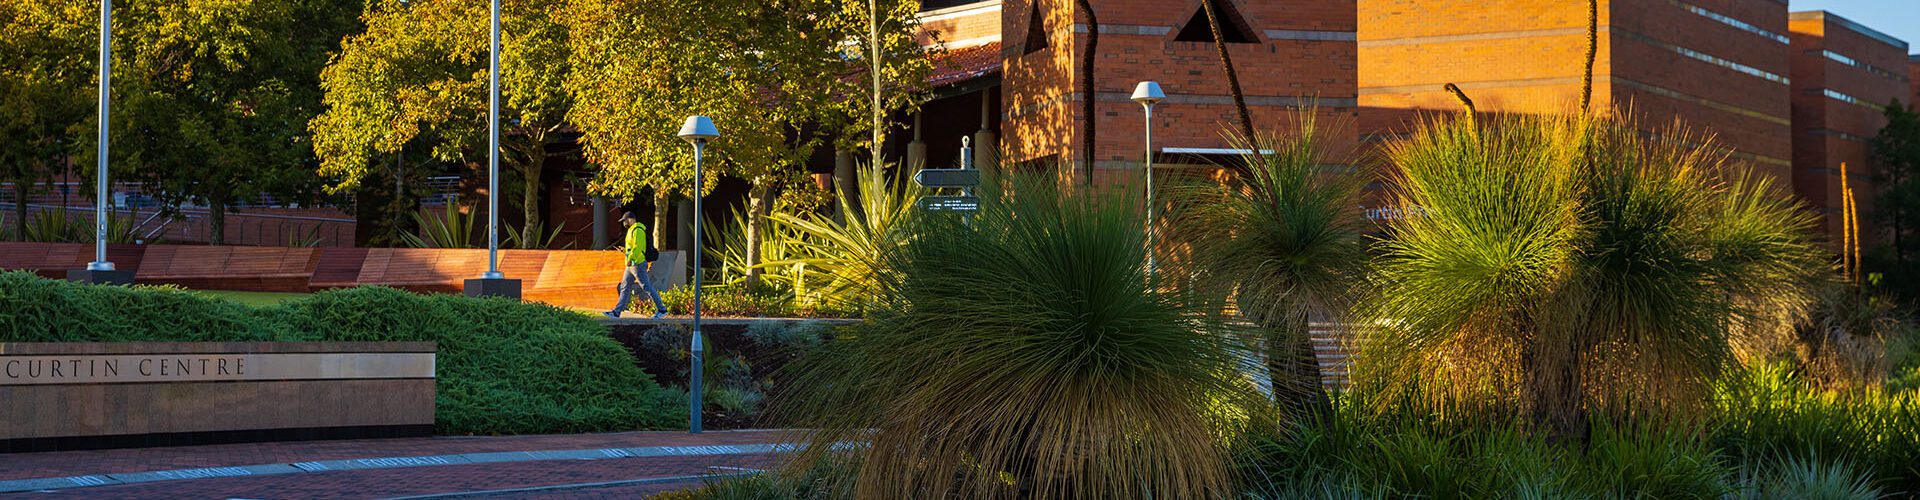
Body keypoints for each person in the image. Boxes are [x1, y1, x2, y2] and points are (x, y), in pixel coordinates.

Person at [606, 212, 668, 319]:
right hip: (631, 264)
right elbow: (632, 247)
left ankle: (662, 309)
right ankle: (616, 312)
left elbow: (638, 247)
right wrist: (626, 252)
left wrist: (630, 259)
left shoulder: (638, 230)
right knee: (625, 287)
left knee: (646, 286)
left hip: (637, 263)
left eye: (625, 220)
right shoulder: (632, 230)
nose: (624, 223)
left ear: (631, 219)